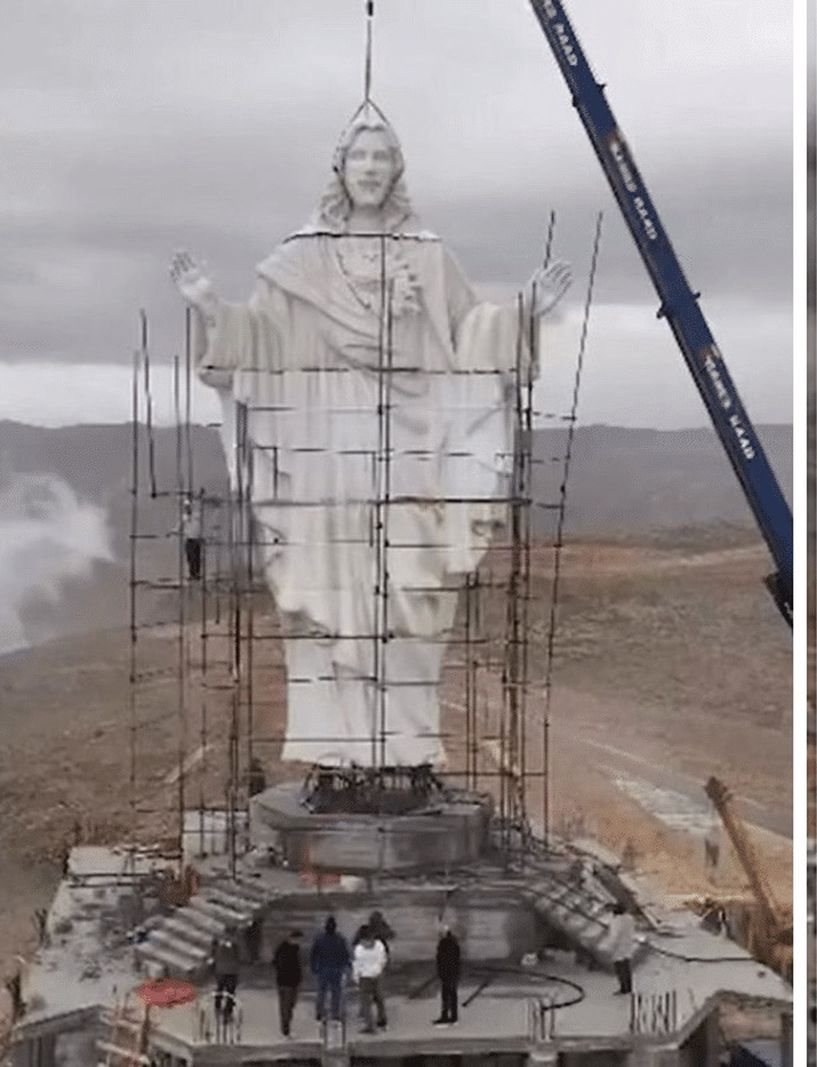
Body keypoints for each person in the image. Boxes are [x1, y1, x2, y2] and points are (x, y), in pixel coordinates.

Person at [169, 100, 574, 768]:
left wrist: (524, 312)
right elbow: (262, 344)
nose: (370, 167)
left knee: (413, 590)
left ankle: (406, 748)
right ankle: (334, 751)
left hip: (412, 448)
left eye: (382, 156)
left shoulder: (430, 255)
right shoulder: (297, 259)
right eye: (359, 155)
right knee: (328, 598)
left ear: (397, 170)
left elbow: (469, 334)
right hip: (322, 450)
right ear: (340, 166)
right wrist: (212, 306)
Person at [310, 916, 352, 1025]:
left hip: (323, 969)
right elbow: (345, 955)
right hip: (336, 969)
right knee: (336, 992)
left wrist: (314, 968)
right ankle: (335, 1013)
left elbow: (313, 955)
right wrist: (347, 967)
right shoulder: (340, 940)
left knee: (321, 992)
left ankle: (319, 1012)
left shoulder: (319, 939)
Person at [352, 926, 389, 1033]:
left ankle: (371, 1025)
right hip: (376, 975)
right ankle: (382, 1021)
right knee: (379, 999)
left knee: (366, 1003)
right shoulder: (379, 945)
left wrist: (356, 978)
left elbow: (357, 965)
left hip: (366, 977)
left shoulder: (359, 949)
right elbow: (383, 959)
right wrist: (379, 969)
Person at [272, 930, 304, 1038]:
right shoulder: (284, 949)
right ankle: (286, 1029)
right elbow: (278, 963)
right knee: (286, 1006)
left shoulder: (294, 949)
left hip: (291, 981)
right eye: (299, 940)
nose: (300, 942)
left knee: (290, 1005)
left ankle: (286, 1026)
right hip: (286, 981)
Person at [602, 904, 639, 995]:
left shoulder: (616, 922)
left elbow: (615, 937)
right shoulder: (629, 919)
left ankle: (624, 988)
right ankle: (629, 987)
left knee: (620, 969)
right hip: (627, 945)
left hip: (618, 948)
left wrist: (609, 948)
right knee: (626, 968)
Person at [210, 926, 242, 1031]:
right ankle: (223, 1011)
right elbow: (237, 957)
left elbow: (213, 955)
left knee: (223, 990)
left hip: (224, 970)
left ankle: (221, 1009)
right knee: (228, 992)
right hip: (228, 971)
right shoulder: (230, 945)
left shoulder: (220, 943)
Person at [433, 923, 462, 1026]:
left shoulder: (445, 943)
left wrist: (441, 970)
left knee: (447, 995)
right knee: (451, 995)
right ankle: (452, 1017)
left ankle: (448, 1016)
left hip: (448, 972)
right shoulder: (453, 943)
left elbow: (443, 959)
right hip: (452, 972)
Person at [179, 494, 204, 582]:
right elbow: (180, 527)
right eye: (186, 507)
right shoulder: (184, 517)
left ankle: (196, 574)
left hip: (196, 539)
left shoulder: (196, 515)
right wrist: (172, 531)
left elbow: (200, 508)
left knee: (196, 558)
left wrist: (200, 497)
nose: (187, 508)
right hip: (189, 539)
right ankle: (192, 574)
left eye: (188, 507)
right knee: (190, 558)